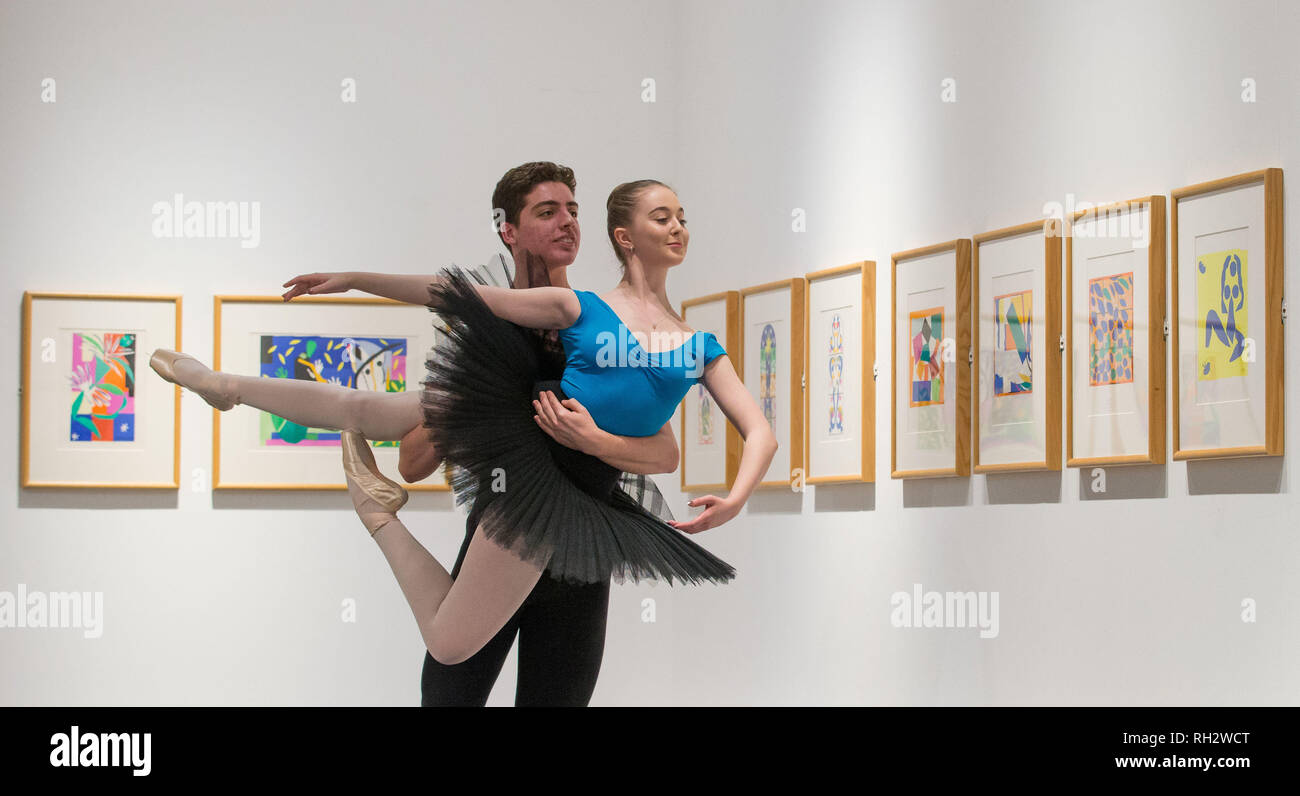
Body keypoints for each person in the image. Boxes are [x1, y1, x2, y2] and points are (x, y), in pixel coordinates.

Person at [278, 178, 776, 670]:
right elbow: (456, 295)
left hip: (589, 517)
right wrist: (356, 279)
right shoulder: (581, 308)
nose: (679, 229)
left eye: (683, 220)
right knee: (451, 655)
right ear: (625, 237)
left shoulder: (699, 346)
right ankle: (362, 499)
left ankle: (372, 506)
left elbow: (750, 436)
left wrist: (734, 499)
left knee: (538, 682)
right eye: (663, 218)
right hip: (528, 495)